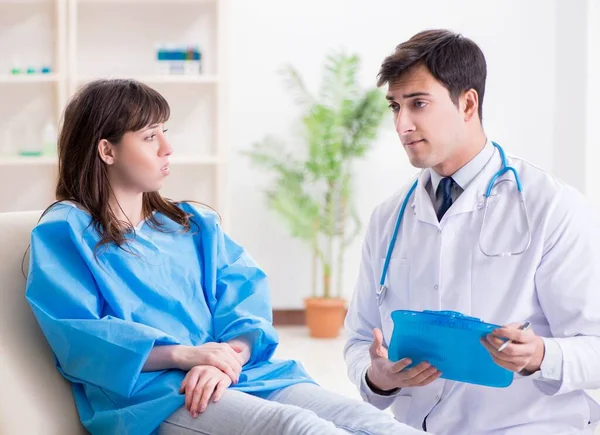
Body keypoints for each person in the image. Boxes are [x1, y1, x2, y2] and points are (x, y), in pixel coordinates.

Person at [24, 79, 429, 435]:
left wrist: (223, 359)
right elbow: (80, 336)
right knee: (300, 429)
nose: (168, 147)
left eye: (165, 132)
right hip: (159, 395)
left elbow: (243, 298)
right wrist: (187, 356)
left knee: (371, 423)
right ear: (107, 150)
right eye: (150, 137)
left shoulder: (192, 223)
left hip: (239, 372)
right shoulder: (66, 230)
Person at [344, 29, 600, 434]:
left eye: (419, 104)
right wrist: (379, 377)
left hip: (526, 426)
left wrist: (540, 356)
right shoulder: (388, 218)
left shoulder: (551, 206)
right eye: (395, 107)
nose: (402, 125)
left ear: (467, 103)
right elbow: (359, 339)